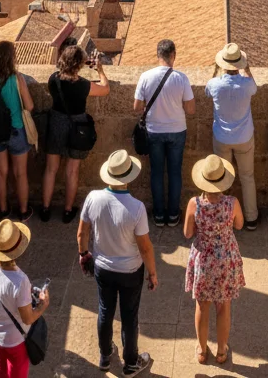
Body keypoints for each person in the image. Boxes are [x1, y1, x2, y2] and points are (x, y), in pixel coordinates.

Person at [78, 150, 159, 376]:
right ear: (129, 177)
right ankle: (131, 363)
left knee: (105, 310)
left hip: (103, 268)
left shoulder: (93, 198)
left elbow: (82, 233)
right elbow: (144, 247)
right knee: (129, 316)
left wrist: (84, 254)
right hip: (130, 271)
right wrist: (152, 273)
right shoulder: (136, 208)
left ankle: (105, 356)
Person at [184, 154, 245, 365]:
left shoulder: (194, 204)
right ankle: (221, 351)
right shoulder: (232, 203)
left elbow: (187, 232)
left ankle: (202, 351)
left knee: (202, 306)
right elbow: (239, 225)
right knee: (224, 306)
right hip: (225, 258)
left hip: (204, 260)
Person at [41, 43, 110, 223]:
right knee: (72, 171)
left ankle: (45, 208)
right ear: (79, 64)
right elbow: (105, 89)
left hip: (56, 123)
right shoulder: (83, 85)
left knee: (50, 169)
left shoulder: (53, 79)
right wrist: (100, 70)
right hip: (77, 127)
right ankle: (67, 210)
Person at [133, 39, 195, 226]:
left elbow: (137, 107)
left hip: (154, 131)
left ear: (158, 55)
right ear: (173, 55)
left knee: (157, 173)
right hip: (177, 131)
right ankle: (174, 214)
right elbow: (191, 109)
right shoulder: (181, 78)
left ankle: (159, 215)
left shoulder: (145, 76)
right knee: (175, 172)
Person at [0, 217, 50, 378]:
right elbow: (27, 318)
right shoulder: (20, 281)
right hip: (12, 339)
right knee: (17, 368)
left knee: (3, 364)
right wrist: (43, 305)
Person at [205, 43, 259, 229]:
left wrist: (215, 70)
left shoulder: (215, 84)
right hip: (244, 137)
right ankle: (251, 218)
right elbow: (254, 87)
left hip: (222, 137)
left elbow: (207, 90)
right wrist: (248, 69)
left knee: (221, 178)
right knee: (247, 177)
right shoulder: (247, 84)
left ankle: (222, 218)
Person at [0, 40, 36, 221]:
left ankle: (4, 211)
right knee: (20, 173)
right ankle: (23, 211)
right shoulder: (16, 78)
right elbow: (29, 106)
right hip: (15, 129)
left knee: (0, 172)